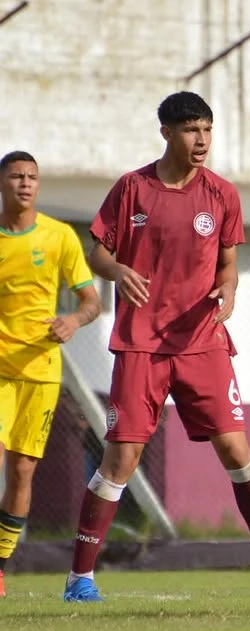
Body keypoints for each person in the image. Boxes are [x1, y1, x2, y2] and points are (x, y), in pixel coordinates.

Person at [62, 92, 250, 602]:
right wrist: (118, 269)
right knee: (121, 458)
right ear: (166, 132)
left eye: (207, 130)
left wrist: (229, 290)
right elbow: (97, 252)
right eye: (191, 130)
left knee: (237, 451)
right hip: (142, 343)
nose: (201, 140)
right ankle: (80, 577)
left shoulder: (222, 195)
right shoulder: (132, 189)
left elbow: (228, 265)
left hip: (202, 342)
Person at [0, 151, 101, 598]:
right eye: (16, 176)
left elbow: (91, 301)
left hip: (40, 372)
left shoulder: (59, 237)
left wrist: (72, 321)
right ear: (2, 183)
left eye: (32, 177)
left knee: (23, 471)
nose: (25, 183)